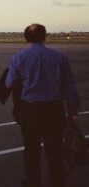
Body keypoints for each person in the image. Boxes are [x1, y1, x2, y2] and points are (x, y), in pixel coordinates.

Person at [6, 24, 80, 187]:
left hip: (30, 110)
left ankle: (33, 183)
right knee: (54, 151)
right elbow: (69, 87)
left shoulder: (19, 58)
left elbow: (10, 83)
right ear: (44, 36)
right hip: (54, 110)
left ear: (26, 38)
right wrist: (73, 111)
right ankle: (57, 182)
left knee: (31, 151)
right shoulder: (60, 57)